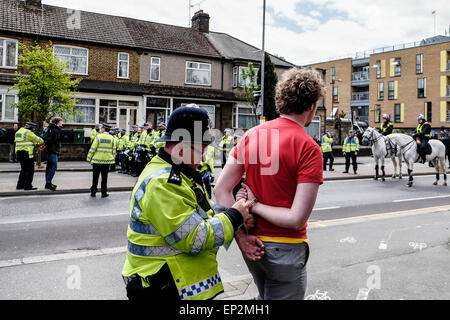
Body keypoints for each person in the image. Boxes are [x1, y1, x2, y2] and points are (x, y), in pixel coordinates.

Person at [121, 106, 257, 301]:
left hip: (169, 283)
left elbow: (201, 216)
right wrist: (234, 216)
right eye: (201, 150)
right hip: (161, 288)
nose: (203, 159)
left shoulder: (180, 173)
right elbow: (195, 237)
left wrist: (234, 212)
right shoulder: (162, 183)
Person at [215, 67, 325, 300]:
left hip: (252, 245)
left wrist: (241, 237)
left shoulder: (250, 135)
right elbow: (296, 220)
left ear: (280, 102)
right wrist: (253, 205)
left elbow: (221, 190)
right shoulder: (309, 147)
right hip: (285, 249)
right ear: (311, 106)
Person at [87, 123, 116, 198]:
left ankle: (93, 193)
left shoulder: (98, 137)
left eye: (102, 128)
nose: (101, 129)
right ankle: (104, 193)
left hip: (97, 161)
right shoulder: (112, 138)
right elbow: (114, 151)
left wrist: (89, 158)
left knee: (95, 177)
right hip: (106, 161)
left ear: (103, 129)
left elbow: (93, 148)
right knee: (104, 177)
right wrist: (112, 158)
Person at [15, 122, 45, 191]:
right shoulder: (28, 132)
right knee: (30, 170)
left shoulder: (18, 132)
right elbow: (39, 140)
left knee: (23, 170)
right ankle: (28, 186)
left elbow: (26, 141)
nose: (33, 130)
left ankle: (20, 185)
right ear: (30, 127)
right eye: (33, 129)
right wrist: (41, 142)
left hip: (19, 153)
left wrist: (34, 143)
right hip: (27, 154)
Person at [43, 117, 63, 191]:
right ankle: (48, 183)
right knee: (53, 167)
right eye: (61, 122)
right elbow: (51, 140)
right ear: (57, 123)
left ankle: (48, 183)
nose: (62, 123)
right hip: (52, 151)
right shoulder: (55, 130)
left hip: (48, 150)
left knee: (49, 167)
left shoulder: (51, 128)